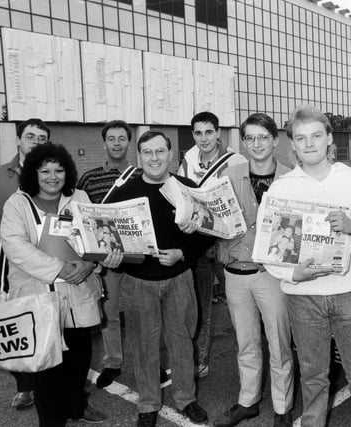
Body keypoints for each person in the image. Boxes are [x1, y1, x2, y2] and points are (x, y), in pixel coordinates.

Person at [261, 106, 351, 427]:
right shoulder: (281, 189)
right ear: (292, 144)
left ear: (330, 139)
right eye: (301, 138)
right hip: (304, 297)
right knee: (314, 377)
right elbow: (268, 250)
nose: (309, 144)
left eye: (316, 136)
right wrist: (293, 273)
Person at [0, 142, 121, 426]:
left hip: (78, 295)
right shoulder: (18, 203)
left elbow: (95, 237)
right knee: (48, 372)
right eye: (45, 171)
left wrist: (93, 263)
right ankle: (52, 421)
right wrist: (61, 269)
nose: (53, 176)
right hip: (40, 300)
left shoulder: (79, 197)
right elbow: (15, 247)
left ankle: (76, 407)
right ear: (33, 173)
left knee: (79, 362)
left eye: (59, 170)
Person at [106, 130, 214, 427]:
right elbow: (107, 238)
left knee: (182, 344)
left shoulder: (188, 189)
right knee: (144, 346)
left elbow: (206, 234)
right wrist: (112, 259)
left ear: (170, 154)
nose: (154, 158)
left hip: (179, 279)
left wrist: (183, 253)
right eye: (147, 153)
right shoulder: (123, 192)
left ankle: (186, 399)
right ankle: (149, 404)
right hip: (138, 282)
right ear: (139, 157)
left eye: (160, 151)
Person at [210, 113, 294, 427]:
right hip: (235, 274)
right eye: (250, 138)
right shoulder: (229, 176)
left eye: (262, 137)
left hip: (272, 276)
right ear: (243, 142)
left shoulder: (291, 180)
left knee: (279, 342)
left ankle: (283, 407)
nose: (256, 144)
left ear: (274, 140)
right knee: (246, 343)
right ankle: (248, 401)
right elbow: (214, 221)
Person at [0, 118, 50, 409]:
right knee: (16, 323)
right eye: (31, 136)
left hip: (45, 263)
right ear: (18, 140)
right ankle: (25, 386)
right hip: (8, 266)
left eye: (42, 138)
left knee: (49, 323)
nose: (36, 142)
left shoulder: (54, 174)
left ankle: (56, 389)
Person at [178, 111, 246, 378]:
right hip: (198, 244)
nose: (203, 138)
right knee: (201, 307)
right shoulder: (189, 158)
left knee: (241, 307)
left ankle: (248, 362)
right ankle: (200, 360)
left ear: (218, 132)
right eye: (198, 133)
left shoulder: (237, 160)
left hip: (227, 243)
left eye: (208, 132)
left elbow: (242, 203)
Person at [76, 120, 139, 389]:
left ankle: (148, 362)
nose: (116, 143)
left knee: (142, 314)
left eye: (121, 138)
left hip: (138, 258)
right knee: (109, 314)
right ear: (104, 143)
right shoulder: (89, 178)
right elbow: (79, 215)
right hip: (107, 260)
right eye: (111, 138)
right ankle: (112, 361)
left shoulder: (141, 174)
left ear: (129, 142)